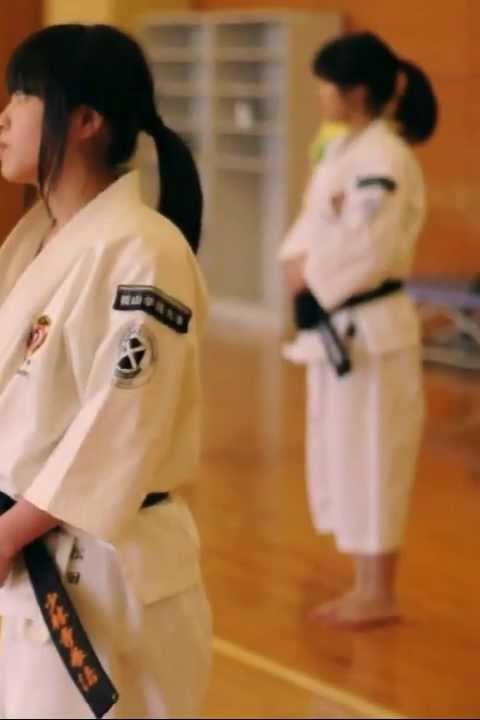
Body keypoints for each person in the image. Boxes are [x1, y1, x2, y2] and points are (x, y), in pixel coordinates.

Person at [0, 24, 211, 718]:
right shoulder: (41, 240)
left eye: (24, 98)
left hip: (109, 570)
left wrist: (3, 533)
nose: (0, 119)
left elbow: (119, 422)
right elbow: (5, 378)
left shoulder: (145, 252)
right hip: (46, 552)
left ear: (86, 121)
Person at [279, 31, 437, 629]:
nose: (320, 93)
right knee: (345, 451)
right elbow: (311, 225)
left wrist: (311, 278)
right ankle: (365, 583)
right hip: (337, 322)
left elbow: (369, 246)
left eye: (328, 83)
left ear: (356, 92)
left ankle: (380, 591)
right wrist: (298, 268)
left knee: (376, 454)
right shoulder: (345, 151)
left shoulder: (386, 159)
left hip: (372, 328)